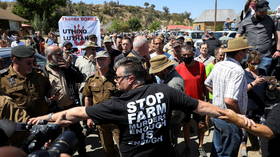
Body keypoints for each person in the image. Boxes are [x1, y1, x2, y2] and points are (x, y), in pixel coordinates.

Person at [29, 57, 253, 157]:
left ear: (132, 79)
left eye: (118, 78)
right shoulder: (163, 92)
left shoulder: (118, 104)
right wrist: (235, 117)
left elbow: (76, 112)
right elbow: (203, 107)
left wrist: (47, 117)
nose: (116, 82)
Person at [205, 37, 250, 157]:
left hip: (217, 114)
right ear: (240, 53)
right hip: (230, 119)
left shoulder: (219, 65)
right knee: (227, 153)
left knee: (217, 150)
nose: (246, 54)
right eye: (245, 51)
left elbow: (207, 83)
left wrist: (219, 95)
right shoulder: (237, 70)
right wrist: (240, 117)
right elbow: (229, 100)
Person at [44, 45, 86, 156]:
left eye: (61, 53)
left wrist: (69, 67)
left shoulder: (65, 67)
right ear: (49, 57)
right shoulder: (43, 72)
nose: (61, 56)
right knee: (58, 139)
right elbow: (40, 95)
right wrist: (48, 100)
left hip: (70, 108)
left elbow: (80, 78)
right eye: (58, 54)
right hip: (55, 111)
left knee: (78, 134)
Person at [83, 51, 120, 157]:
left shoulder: (116, 77)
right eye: (98, 59)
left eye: (103, 59)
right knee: (107, 147)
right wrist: (88, 117)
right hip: (101, 118)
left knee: (121, 145)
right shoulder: (91, 80)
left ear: (109, 60)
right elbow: (88, 97)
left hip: (116, 117)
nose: (99, 61)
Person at [0, 46, 50, 122]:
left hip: (42, 121)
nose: (32, 65)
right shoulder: (2, 79)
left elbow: (47, 93)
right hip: (19, 126)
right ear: (14, 60)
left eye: (33, 62)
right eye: (28, 63)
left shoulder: (39, 75)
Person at [175, 46, 208, 156]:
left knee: (201, 125)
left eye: (189, 55)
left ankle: (200, 146)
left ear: (193, 54)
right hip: (184, 103)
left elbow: (204, 84)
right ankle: (188, 145)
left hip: (199, 102)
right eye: (184, 55)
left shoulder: (201, 66)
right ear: (181, 55)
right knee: (186, 124)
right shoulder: (178, 68)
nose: (186, 57)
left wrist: (207, 99)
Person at [149, 55, 185, 147]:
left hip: (172, 121)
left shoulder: (173, 83)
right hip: (170, 119)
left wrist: (165, 120)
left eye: (156, 72)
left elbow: (176, 109)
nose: (155, 74)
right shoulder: (169, 78)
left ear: (164, 70)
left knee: (171, 144)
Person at [237, 0, 279, 75]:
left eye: (265, 11)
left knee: (262, 78)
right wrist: (237, 51)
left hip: (265, 56)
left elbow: (277, 35)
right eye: (262, 11)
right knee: (249, 77)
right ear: (255, 10)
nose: (264, 13)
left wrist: (278, 50)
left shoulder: (271, 20)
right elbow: (237, 36)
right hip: (250, 56)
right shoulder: (246, 21)